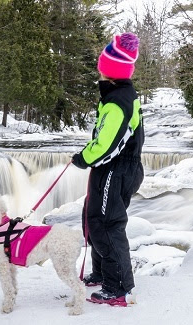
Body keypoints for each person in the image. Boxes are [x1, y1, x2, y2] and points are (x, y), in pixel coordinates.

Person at [71, 32, 144, 306]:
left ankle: (119, 287)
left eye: (102, 63)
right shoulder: (117, 94)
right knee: (93, 219)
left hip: (117, 170)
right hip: (112, 169)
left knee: (107, 224)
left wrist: (84, 158)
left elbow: (107, 144)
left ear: (109, 69)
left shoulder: (117, 102)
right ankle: (102, 273)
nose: (99, 66)